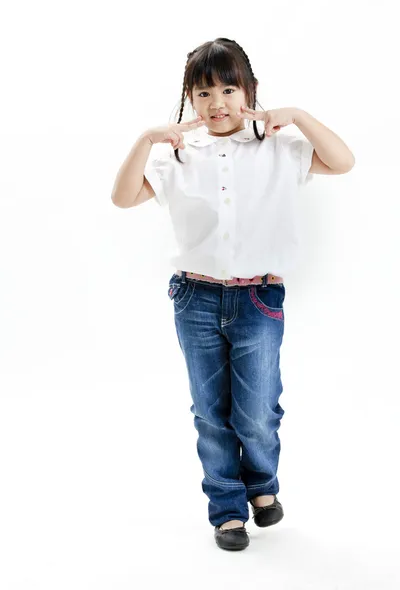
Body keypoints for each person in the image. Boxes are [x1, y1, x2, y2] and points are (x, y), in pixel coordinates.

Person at [111, 37, 355, 552]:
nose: (217, 103)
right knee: (209, 410)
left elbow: (344, 161)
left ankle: (261, 485)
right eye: (203, 93)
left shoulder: (279, 146)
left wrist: (299, 115)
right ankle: (227, 508)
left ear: (249, 91)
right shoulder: (178, 156)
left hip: (258, 300)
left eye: (228, 89)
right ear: (189, 99)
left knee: (258, 410)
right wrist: (146, 139)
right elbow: (122, 198)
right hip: (194, 299)